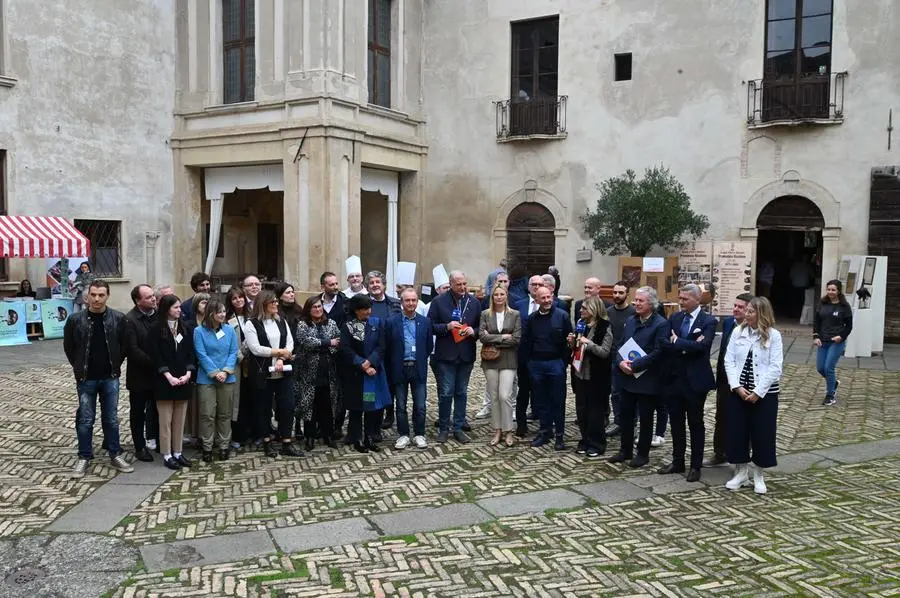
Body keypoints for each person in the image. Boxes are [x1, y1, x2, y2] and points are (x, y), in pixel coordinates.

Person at [63, 280, 134, 478]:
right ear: (87, 296)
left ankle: (115, 452)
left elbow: (124, 345)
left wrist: (114, 365)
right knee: (86, 419)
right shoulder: (75, 320)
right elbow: (69, 347)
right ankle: (84, 456)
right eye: (93, 295)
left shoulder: (118, 319)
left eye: (101, 295)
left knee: (111, 418)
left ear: (107, 296)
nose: (96, 299)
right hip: (86, 378)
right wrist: (79, 367)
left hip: (110, 377)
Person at [658, 284, 717, 482]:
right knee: (675, 422)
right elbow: (664, 342)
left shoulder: (708, 321)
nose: (680, 302)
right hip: (674, 379)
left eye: (684, 299)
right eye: (680, 298)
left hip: (695, 381)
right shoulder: (675, 318)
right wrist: (686, 345)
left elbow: (703, 347)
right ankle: (677, 460)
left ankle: (695, 465)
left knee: (695, 423)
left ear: (697, 300)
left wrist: (678, 343)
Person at [724, 297, 783, 494]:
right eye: (746, 311)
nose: (746, 315)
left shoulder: (774, 336)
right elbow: (728, 360)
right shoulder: (737, 332)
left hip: (764, 395)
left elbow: (775, 367)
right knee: (737, 432)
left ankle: (759, 474)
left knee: (762, 434)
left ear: (761, 314)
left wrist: (758, 392)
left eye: (750, 312)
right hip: (739, 392)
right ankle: (741, 472)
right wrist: (737, 386)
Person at [608, 286, 669, 468]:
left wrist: (634, 366)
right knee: (626, 416)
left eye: (640, 300)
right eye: (635, 300)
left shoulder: (660, 324)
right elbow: (620, 344)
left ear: (651, 304)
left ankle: (643, 453)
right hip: (627, 378)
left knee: (646, 417)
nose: (636, 303)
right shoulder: (631, 320)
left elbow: (658, 352)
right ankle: (625, 450)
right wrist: (620, 362)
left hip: (647, 380)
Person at [244, 290, 302, 458]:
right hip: (262, 373)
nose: (277, 304)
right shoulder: (251, 324)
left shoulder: (281, 321)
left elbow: (290, 343)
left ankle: (286, 441)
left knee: (287, 406)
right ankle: (267, 441)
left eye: (277, 301)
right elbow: (256, 349)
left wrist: (281, 359)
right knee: (263, 408)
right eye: (273, 302)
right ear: (263, 304)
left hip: (283, 371)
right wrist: (278, 353)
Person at [429, 270, 481, 444]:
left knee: (461, 392)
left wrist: (474, 331)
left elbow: (482, 327)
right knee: (446, 392)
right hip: (446, 354)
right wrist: (447, 326)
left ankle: (458, 427)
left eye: (464, 284)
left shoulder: (473, 302)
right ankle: (444, 428)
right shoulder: (438, 301)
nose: (463, 287)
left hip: (466, 354)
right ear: (450, 284)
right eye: (458, 284)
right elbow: (430, 326)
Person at [339, 294, 391, 453]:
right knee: (356, 408)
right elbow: (345, 349)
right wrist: (362, 364)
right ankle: (357, 438)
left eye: (369, 308)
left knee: (370, 406)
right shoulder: (348, 327)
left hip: (372, 375)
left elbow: (381, 346)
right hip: (356, 376)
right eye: (364, 309)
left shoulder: (377, 323)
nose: (368, 311)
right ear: (356, 311)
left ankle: (369, 436)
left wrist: (370, 362)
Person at [521, 285, 572, 449]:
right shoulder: (531, 318)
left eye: (549, 297)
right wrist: (529, 363)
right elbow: (526, 342)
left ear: (552, 297)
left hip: (556, 363)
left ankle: (559, 436)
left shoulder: (562, 316)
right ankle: (545, 431)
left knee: (558, 400)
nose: (547, 300)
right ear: (536, 300)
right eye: (543, 298)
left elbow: (568, 342)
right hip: (536, 364)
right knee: (541, 400)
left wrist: (563, 363)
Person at [706, 292, 753, 467]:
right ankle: (720, 453)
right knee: (721, 418)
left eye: (741, 307)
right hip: (725, 380)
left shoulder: (752, 328)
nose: (736, 309)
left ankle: (741, 457)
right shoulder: (727, 323)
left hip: (744, 382)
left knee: (742, 420)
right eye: (735, 306)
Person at [150, 294, 196, 470]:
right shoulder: (156, 329)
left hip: (183, 379)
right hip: (164, 381)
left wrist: (188, 374)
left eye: (179, 307)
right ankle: (167, 454)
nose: (179, 310)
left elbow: (190, 353)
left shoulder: (185, 328)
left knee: (179, 420)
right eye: (176, 307)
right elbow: (156, 355)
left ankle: (178, 451)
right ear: (167, 309)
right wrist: (168, 375)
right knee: (165, 420)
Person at [387, 288, 434, 450]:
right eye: (407, 300)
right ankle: (403, 435)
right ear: (401, 303)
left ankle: (419, 434)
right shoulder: (392, 322)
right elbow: (388, 347)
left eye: (414, 300)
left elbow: (429, 346)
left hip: (418, 367)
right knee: (400, 405)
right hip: (399, 367)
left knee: (420, 404)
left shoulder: (425, 322)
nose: (411, 303)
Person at [194, 298, 239, 462]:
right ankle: (207, 446)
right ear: (211, 314)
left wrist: (226, 371)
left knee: (225, 414)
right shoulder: (199, 331)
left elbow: (233, 352)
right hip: (206, 379)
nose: (222, 314)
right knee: (207, 414)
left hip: (227, 378)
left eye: (223, 311)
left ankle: (224, 445)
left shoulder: (229, 330)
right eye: (218, 312)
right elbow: (201, 354)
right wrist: (214, 372)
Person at [294, 295, 341, 451]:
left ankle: (328, 435)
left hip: (329, 372)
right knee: (310, 406)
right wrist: (327, 343)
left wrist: (328, 345)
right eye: (314, 307)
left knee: (327, 405)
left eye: (320, 306)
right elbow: (306, 341)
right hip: (308, 373)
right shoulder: (303, 324)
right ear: (308, 309)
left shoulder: (331, 323)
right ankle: (309, 437)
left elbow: (338, 341)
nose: (317, 309)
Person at [568, 296, 612, 458]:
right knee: (582, 410)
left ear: (593, 310)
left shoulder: (605, 327)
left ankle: (597, 443)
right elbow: (576, 350)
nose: (581, 310)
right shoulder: (581, 325)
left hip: (597, 376)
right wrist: (572, 342)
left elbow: (604, 352)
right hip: (580, 374)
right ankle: (585, 439)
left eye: (584, 308)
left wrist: (589, 343)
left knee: (595, 412)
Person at [479, 283, 521, 446]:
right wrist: (503, 337)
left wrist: (494, 339)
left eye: (501, 294)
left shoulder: (515, 314)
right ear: (492, 297)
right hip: (490, 360)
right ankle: (497, 430)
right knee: (495, 396)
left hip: (509, 360)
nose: (499, 297)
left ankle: (508, 430)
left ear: (506, 296)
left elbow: (516, 339)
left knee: (505, 395)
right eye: (496, 295)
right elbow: (482, 336)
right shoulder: (485, 314)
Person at [121, 284, 159, 462]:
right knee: (138, 412)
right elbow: (133, 350)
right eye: (149, 297)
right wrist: (157, 363)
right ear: (138, 301)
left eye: (153, 296)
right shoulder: (129, 320)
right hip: (139, 376)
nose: (153, 299)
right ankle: (139, 446)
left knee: (158, 410)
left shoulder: (159, 315)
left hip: (159, 376)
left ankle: (159, 440)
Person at [364, 270, 401, 430]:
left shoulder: (395, 303)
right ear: (367, 286)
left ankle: (390, 412)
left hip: (392, 352)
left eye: (378, 282)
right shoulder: (363, 303)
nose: (375, 285)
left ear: (384, 285)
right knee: (373, 386)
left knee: (391, 384)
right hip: (372, 354)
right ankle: (373, 419)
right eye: (371, 283)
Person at [513, 275, 547, 436]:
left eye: (540, 284)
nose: (536, 286)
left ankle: (544, 426)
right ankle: (521, 425)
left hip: (542, 358)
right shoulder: (519, 305)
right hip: (523, 357)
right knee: (523, 392)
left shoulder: (551, 305)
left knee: (542, 393)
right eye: (533, 284)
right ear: (528, 286)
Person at [814, 279, 853, 406]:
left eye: (833, 290)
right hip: (823, 340)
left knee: (828, 367)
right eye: (829, 289)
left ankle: (830, 395)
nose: (830, 292)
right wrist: (816, 336)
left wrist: (841, 336)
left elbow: (849, 326)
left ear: (838, 291)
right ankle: (834, 382)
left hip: (836, 341)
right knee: (820, 368)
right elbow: (817, 321)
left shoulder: (844, 306)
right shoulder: (822, 303)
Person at [605, 281, 635, 438]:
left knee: (631, 392)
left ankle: (632, 422)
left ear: (627, 294)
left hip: (629, 359)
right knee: (615, 393)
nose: (617, 295)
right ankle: (618, 422)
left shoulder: (634, 313)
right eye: (615, 292)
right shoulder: (608, 312)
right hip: (612, 359)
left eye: (620, 293)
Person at [225, 286, 251, 449]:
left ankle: (252, 433)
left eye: (240, 297)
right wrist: (239, 355)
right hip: (236, 364)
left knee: (251, 399)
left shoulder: (252, 316)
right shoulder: (227, 318)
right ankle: (237, 435)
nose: (238, 300)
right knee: (237, 401)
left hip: (252, 364)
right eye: (234, 298)